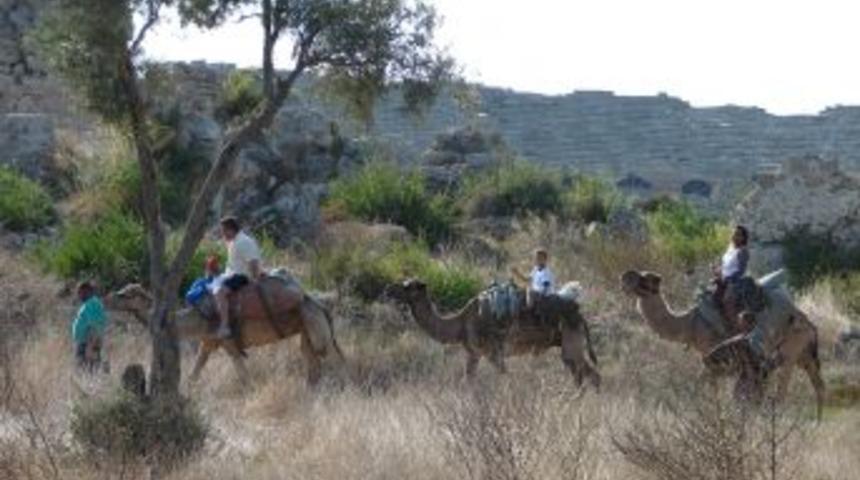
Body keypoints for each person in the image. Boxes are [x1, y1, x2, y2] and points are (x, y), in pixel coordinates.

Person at [211, 216, 263, 338]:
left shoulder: (244, 242)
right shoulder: (233, 242)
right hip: (232, 274)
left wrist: (255, 280)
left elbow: (253, 262)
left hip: (242, 276)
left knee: (219, 292)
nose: (222, 234)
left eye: (224, 231)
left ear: (231, 229)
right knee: (209, 284)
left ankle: (225, 326)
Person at [713, 225, 751, 331]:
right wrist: (717, 271)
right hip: (724, 280)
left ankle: (736, 327)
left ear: (743, 238)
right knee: (711, 297)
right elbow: (725, 267)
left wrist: (727, 278)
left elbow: (741, 271)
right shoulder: (729, 249)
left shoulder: (743, 251)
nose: (735, 236)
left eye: (738, 234)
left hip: (736, 282)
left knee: (727, 300)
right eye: (734, 234)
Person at [72, 281, 108, 372]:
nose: (78, 295)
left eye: (80, 292)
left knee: (86, 372)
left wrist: (90, 347)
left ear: (87, 291)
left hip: (87, 344)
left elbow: (94, 327)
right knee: (88, 371)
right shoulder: (91, 303)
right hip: (85, 342)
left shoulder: (92, 304)